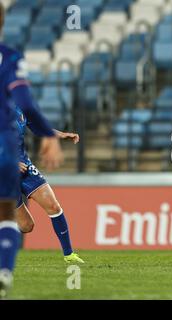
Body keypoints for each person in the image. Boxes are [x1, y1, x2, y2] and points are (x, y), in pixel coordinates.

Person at [0, 3, 64, 298]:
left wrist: (50, 133)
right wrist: (49, 135)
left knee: (25, 224)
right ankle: (5, 271)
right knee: (8, 219)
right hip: (5, 150)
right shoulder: (11, 57)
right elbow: (26, 102)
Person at [14, 106, 84, 264]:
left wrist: (61, 135)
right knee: (26, 225)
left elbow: (39, 128)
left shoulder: (20, 107)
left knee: (53, 206)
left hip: (24, 167)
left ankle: (69, 254)